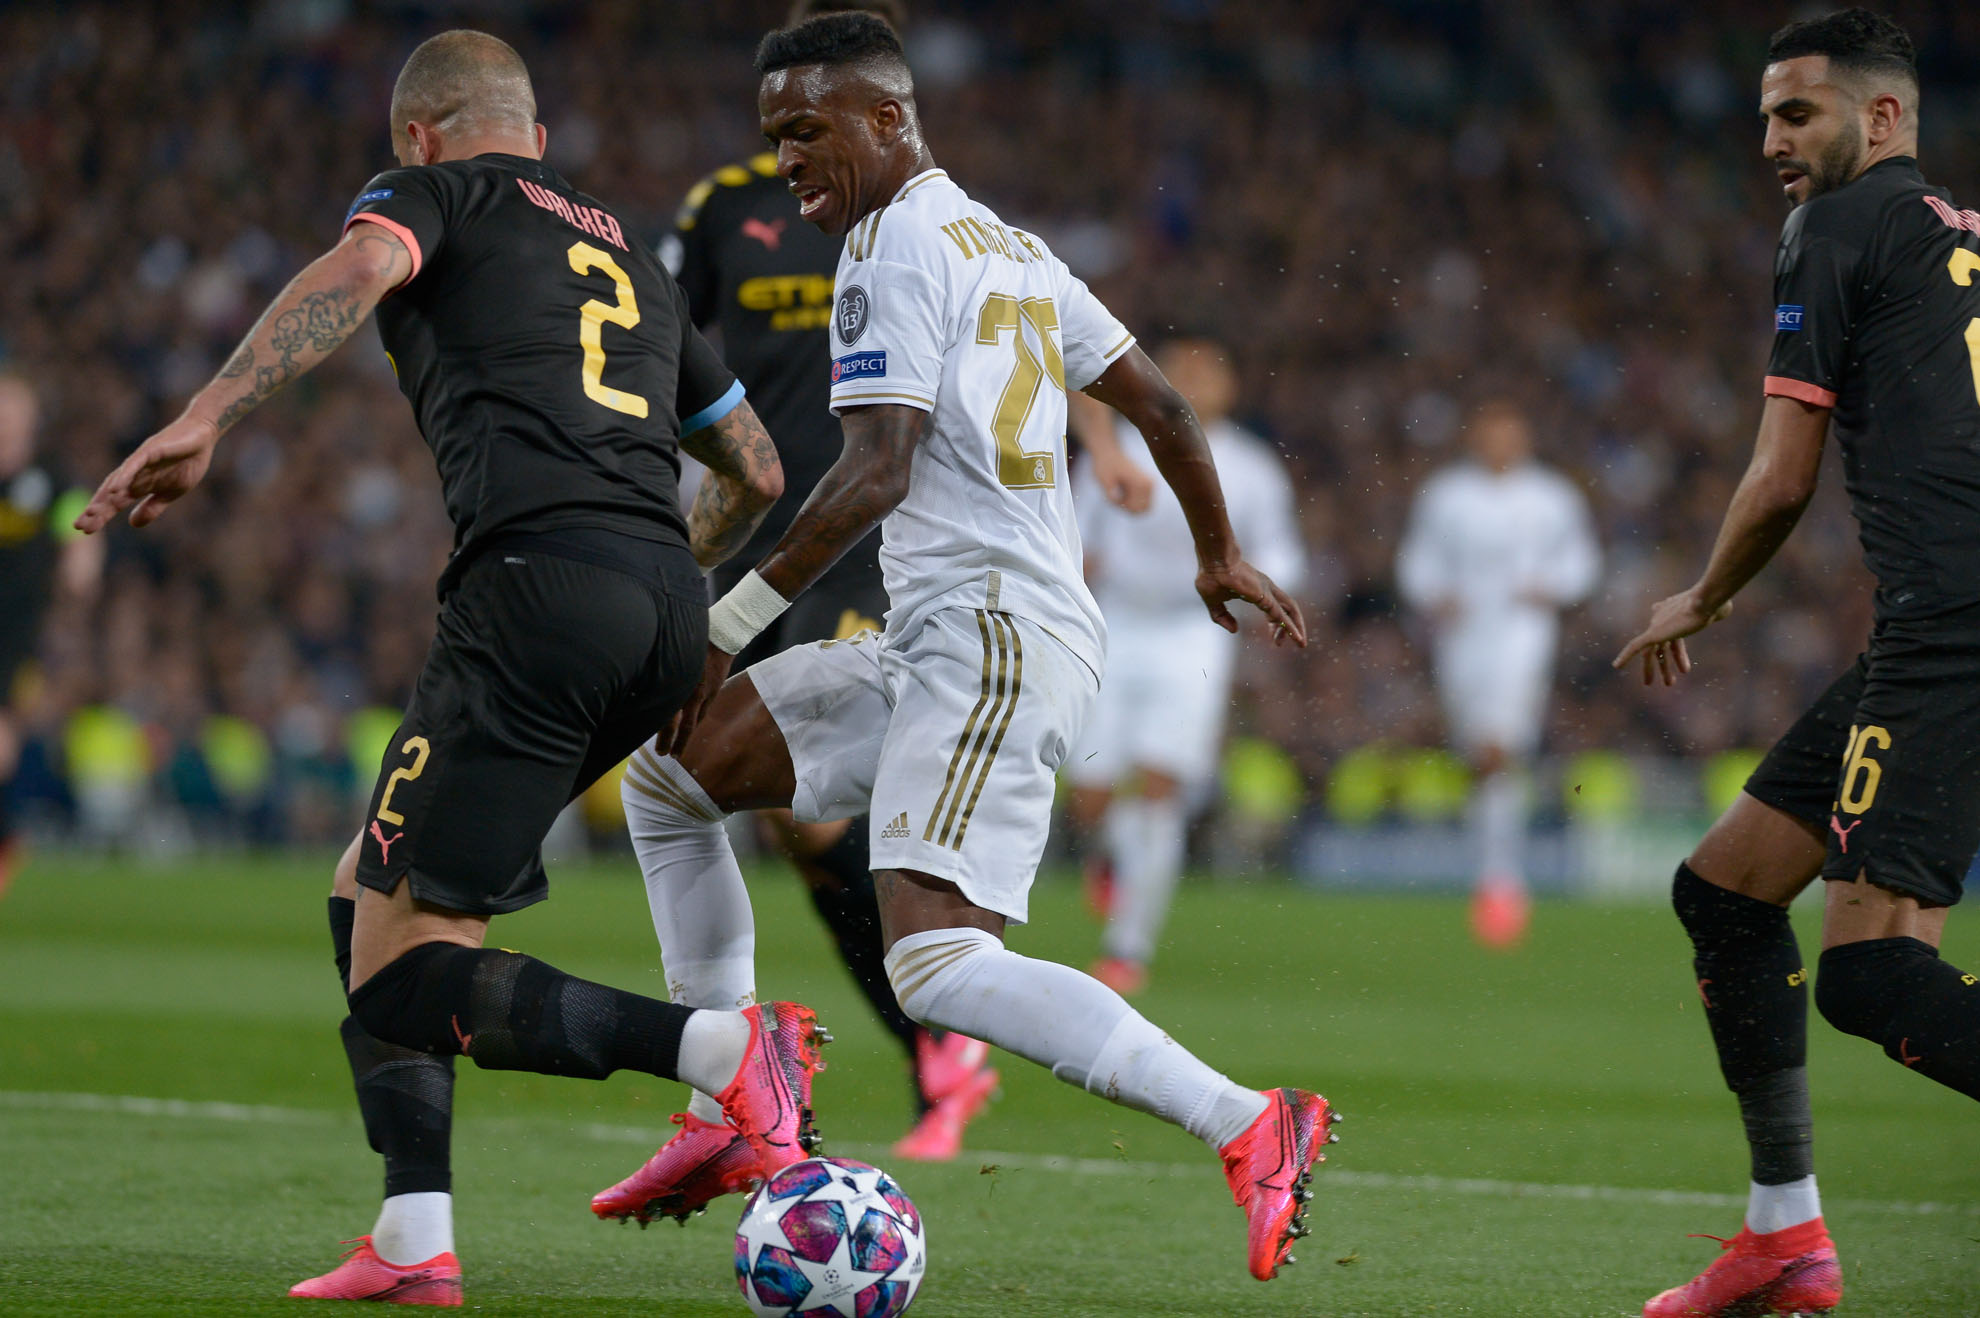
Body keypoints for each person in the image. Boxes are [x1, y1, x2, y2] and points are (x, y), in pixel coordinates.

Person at [74, 31, 826, 1305]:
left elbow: (362, 265)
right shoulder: (634, 258)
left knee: (405, 974)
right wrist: (659, 582)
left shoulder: (433, 193)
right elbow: (755, 466)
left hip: (535, 593)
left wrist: (203, 415)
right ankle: (414, 1233)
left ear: (419, 136)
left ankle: (724, 1053)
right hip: (662, 606)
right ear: (537, 137)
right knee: (370, 888)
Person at [604, 13, 1336, 1283]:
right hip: (939, 637)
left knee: (937, 961)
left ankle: (1248, 1121)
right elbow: (1160, 404)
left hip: (993, 635)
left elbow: (877, 470)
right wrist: (1214, 551)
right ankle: (732, 1097)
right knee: (672, 779)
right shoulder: (1011, 245)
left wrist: (725, 621)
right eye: (774, 138)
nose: (787, 161)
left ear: (888, 117)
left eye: (806, 130)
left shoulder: (887, 250)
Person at [1614, 11, 1980, 1316]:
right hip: (1930, 632)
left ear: (1881, 118)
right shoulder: (1962, 238)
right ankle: (1785, 1237)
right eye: (1766, 114)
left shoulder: (1832, 228)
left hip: (1953, 629)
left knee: (1874, 973)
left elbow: (1780, 478)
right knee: (1724, 893)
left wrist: (1702, 596)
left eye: (1797, 113)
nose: (1771, 139)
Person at [611, 0, 1004, 1184]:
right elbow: (656, 348)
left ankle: (935, 1024)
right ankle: (891, 1047)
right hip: (753, 541)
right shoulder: (725, 209)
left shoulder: (916, 213)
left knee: (812, 818)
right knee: (730, 799)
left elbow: (1010, 342)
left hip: (863, 537)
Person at [1062, 338, 1305, 996]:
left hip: (1195, 632)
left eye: (1208, 371)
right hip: (1113, 622)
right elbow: (1073, 534)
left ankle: (1127, 948)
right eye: (1182, 370)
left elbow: (1283, 552)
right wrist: (1080, 567)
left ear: (1231, 386)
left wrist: (1263, 588)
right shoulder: (1122, 448)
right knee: (1090, 794)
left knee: (1161, 784)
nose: (1194, 381)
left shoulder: (1251, 468)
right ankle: (1111, 856)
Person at [1395, 399, 1599, 948]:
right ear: (1474, 437)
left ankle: (1500, 882)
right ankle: (1491, 870)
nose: (1499, 443)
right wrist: (1435, 594)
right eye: (1490, 433)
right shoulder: (1446, 495)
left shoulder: (1552, 496)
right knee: (1478, 755)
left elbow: (1581, 563)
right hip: (1462, 636)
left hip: (1522, 632)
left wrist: (1551, 587)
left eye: (1509, 433)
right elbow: (1417, 562)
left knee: (1497, 747)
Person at [0, 372, 103, 893]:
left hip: (15, 637)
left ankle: (7, 840)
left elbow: (78, 520)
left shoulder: (51, 478)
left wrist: (81, 555)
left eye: (13, 415)